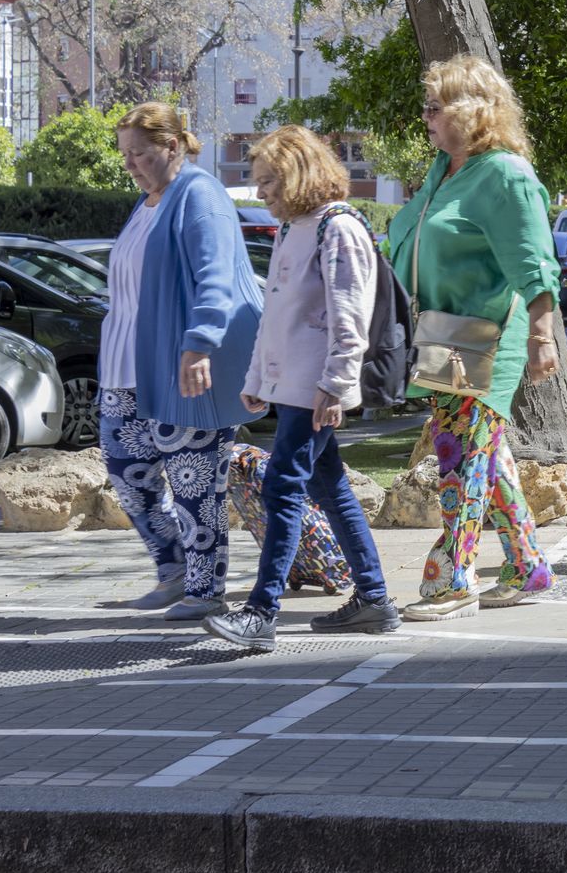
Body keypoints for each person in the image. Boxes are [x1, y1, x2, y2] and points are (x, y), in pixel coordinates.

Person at [203, 125, 399, 651]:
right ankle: (375, 599)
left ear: (296, 175)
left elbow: (349, 316)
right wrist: (256, 379)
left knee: (282, 487)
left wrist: (334, 387)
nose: (260, 191)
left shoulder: (338, 228)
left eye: (268, 181)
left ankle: (261, 612)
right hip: (293, 384)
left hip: (312, 388)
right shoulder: (297, 228)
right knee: (328, 486)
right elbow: (277, 318)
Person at [387, 54, 560, 618]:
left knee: (459, 454)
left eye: (436, 107)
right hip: (443, 334)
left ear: (475, 110)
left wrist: (541, 334)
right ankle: (527, 565)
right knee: (484, 454)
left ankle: (453, 581)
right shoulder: (446, 171)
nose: (426, 117)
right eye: (426, 107)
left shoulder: (506, 174)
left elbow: (535, 259)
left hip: (488, 337)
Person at [101, 103, 263, 620]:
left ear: (173, 146)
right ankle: (172, 570)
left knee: (195, 483)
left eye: (139, 153)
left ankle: (204, 589)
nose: (130, 164)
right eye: (124, 154)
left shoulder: (199, 194)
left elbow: (215, 279)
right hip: (126, 366)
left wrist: (198, 344)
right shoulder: (147, 201)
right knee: (130, 475)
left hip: (182, 367)